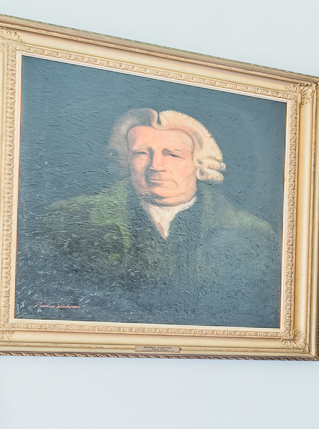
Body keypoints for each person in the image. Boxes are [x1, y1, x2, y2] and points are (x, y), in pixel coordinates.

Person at [19, 108, 279, 327]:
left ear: (199, 163)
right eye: (142, 153)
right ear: (126, 160)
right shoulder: (65, 221)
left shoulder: (254, 234)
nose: (156, 165)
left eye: (172, 154)